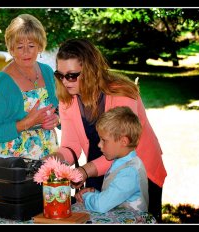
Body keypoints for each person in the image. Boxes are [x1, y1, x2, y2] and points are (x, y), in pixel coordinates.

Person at [47, 38, 166, 222]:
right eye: (59, 75)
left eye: (71, 75)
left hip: (137, 168)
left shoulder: (122, 94)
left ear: (90, 71)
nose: (65, 81)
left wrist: (85, 171)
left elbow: (122, 148)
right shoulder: (67, 100)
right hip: (98, 165)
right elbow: (70, 145)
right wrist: (53, 161)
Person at [0, 14, 60, 160]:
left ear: (39, 46)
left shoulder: (48, 72)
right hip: (15, 161)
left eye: (31, 46)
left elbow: (62, 108)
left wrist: (57, 119)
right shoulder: (3, 82)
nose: (26, 52)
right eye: (20, 47)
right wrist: (27, 123)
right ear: (11, 49)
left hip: (49, 155)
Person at [76, 106, 149, 214]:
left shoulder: (129, 172)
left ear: (123, 141)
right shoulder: (121, 163)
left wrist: (87, 197)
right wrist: (95, 194)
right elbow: (116, 199)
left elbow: (101, 206)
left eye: (104, 140)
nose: (99, 145)